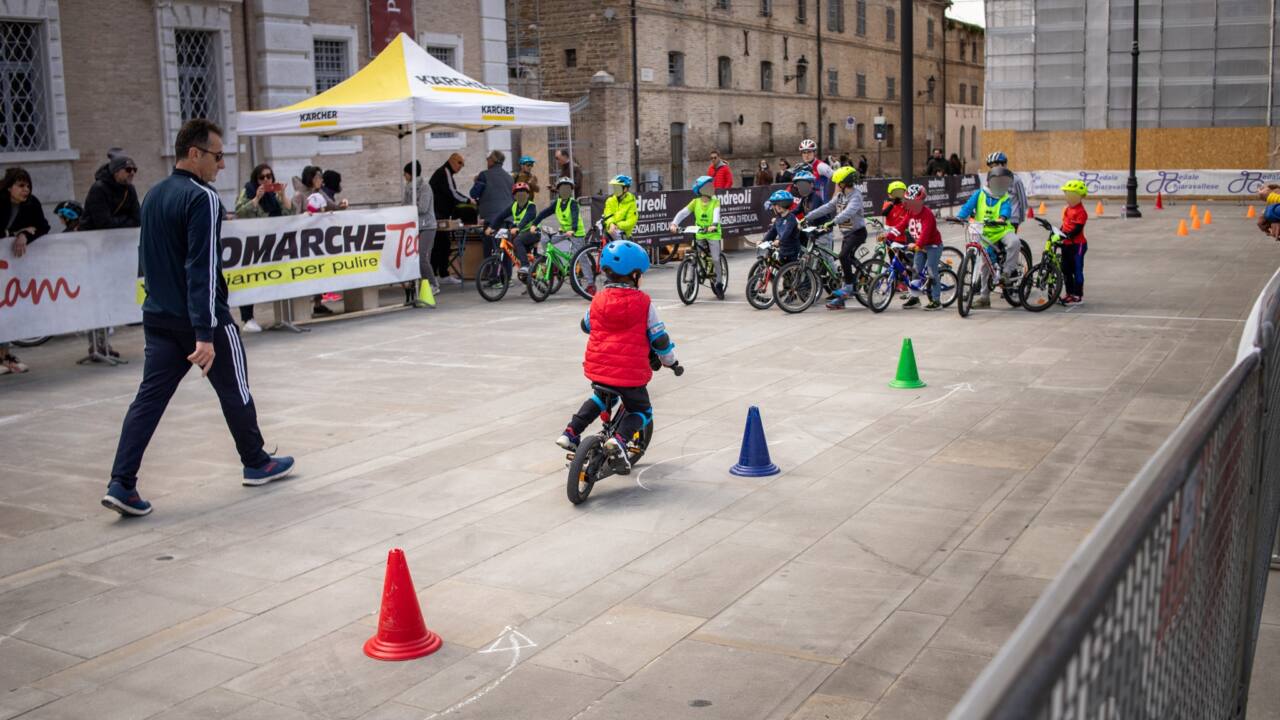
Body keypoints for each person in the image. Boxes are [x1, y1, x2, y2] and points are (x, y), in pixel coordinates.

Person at [102, 118, 293, 517]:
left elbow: (149, 262)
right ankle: (257, 461)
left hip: (159, 318)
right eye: (218, 156)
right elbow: (201, 267)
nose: (221, 165)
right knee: (235, 387)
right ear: (195, 154)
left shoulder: (153, 195)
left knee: (148, 401)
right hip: (201, 321)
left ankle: (121, 482)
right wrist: (205, 333)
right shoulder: (202, 198)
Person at [554, 240, 679, 475]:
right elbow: (659, 339)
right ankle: (619, 441)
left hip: (598, 369)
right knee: (642, 411)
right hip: (629, 374)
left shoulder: (598, 299)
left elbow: (586, 325)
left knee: (601, 399)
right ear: (634, 274)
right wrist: (671, 361)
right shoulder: (644, 303)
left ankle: (570, 432)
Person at [0, 167, 50, 375]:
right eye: (21, 185)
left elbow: (43, 226)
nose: (26, 190)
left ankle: (5, 355)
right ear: (9, 187)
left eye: (28, 186)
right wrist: (14, 231)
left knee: (8, 308)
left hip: (9, 266)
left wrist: (24, 235)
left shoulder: (32, 203)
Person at [234, 163, 296, 331]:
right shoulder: (248, 191)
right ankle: (248, 318)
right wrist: (256, 198)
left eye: (269, 176)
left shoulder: (274, 195)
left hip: (273, 243)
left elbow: (291, 213)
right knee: (250, 278)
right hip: (253, 243)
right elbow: (239, 212)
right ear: (256, 179)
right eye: (262, 177)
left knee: (273, 275)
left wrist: (283, 195)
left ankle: (282, 316)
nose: (266, 179)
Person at [957, 166, 1023, 309]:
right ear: (989, 182)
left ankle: (1007, 271)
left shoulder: (1005, 197)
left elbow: (1006, 210)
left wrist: (1002, 217)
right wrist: (959, 217)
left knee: (1014, 242)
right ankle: (984, 297)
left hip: (1002, 229)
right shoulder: (979, 194)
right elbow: (968, 207)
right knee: (985, 265)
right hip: (984, 232)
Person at [804, 167, 867, 310]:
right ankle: (841, 300)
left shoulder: (856, 196)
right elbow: (827, 207)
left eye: (838, 183)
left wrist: (833, 221)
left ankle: (849, 287)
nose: (836, 185)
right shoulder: (840, 196)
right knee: (845, 261)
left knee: (843, 255)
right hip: (847, 234)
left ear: (845, 183)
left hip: (857, 233)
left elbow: (849, 212)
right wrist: (807, 217)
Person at [883, 184, 943, 310]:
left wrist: (917, 245)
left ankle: (937, 300)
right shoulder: (910, 212)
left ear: (921, 201)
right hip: (919, 247)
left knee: (932, 271)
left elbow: (925, 233)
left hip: (932, 246)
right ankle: (915, 298)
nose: (910, 204)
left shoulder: (928, 214)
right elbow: (901, 225)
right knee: (915, 270)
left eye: (913, 202)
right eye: (908, 201)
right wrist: (889, 237)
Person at [669, 175, 725, 298]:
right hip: (700, 232)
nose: (712, 188)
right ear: (701, 189)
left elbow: (716, 214)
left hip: (713, 233)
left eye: (711, 185)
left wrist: (714, 224)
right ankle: (691, 284)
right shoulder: (695, 202)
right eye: (708, 186)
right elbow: (683, 213)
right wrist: (674, 223)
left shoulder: (715, 201)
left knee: (715, 259)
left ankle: (719, 284)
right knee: (695, 256)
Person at [532, 177, 590, 290]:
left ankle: (590, 282)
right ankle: (554, 264)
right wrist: (534, 224)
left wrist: (573, 229)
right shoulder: (557, 203)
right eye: (562, 189)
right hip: (564, 232)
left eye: (567, 189)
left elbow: (574, 216)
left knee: (580, 257)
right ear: (558, 190)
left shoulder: (573, 203)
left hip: (576, 233)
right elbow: (544, 213)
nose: (564, 191)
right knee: (545, 240)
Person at [486, 181, 538, 276]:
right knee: (506, 241)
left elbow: (527, 218)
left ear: (528, 195)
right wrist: (491, 227)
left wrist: (518, 227)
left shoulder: (531, 206)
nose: (521, 196)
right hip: (520, 232)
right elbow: (501, 216)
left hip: (532, 233)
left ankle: (525, 266)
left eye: (523, 193)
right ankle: (506, 275)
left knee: (517, 240)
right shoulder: (514, 206)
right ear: (514, 196)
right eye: (518, 193)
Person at [404, 160, 437, 306]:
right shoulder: (408, 188)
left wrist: (409, 207)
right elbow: (403, 204)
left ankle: (433, 284)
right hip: (414, 226)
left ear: (410, 174)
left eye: (405, 174)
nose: (404, 177)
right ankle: (419, 284)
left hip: (428, 226)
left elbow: (423, 208)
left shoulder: (425, 187)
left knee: (422, 256)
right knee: (413, 256)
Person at [81, 155, 141, 230]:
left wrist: (115, 220)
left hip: (122, 236)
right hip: (94, 237)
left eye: (134, 169)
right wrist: (126, 218)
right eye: (128, 169)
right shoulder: (99, 189)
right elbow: (104, 223)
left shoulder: (130, 189)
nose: (132, 173)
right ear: (116, 172)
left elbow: (138, 220)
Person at [1056, 180, 1089, 305]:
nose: (1068, 198)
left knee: (1077, 269)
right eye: (1067, 195)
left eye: (1071, 195)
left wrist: (1067, 235)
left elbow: (1077, 229)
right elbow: (1065, 225)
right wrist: (1058, 233)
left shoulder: (1081, 212)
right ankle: (1069, 293)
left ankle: (1078, 295)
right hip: (1067, 244)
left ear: (1079, 196)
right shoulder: (1067, 209)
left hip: (1078, 245)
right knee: (1066, 269)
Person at [471, 150, 514, 231]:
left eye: (488, 159)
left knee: (491, 242)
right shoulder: (510, 178)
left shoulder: (484, 175)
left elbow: (474, 194)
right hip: (508, 219)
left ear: (492, 160)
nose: (487, 161)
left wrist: (476, 182)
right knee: (503, 242)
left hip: (491, 219)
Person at [986, 151, 1028, 230]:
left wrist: (1020, 219)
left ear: (1004, 164)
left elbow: (1023, 201)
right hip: (996, 218)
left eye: (995, 166)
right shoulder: (991, 180)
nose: (993, 169)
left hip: (1012, 218)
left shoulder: (1015, 180)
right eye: (991, 167)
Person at [762, 189, 803, 263]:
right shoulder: (779, 217)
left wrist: (779, 241)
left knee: (789, 272)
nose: (776, 206)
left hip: (792, 252)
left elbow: (787, 232)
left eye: (779, 204)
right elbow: (772, 231)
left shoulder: (791, 217)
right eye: (775, 204)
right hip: (783, 250)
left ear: (785, 204)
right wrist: (763, 241)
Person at [603, 175, 638, 242]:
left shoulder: (631, 202)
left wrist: (617, 225)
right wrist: (611, 224)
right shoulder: (610, 200)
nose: (615, 190)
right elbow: (608, 214)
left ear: (625, 189)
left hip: (624, 235)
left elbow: (631, 221)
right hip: (610, 231)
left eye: (618, 188)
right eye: (614, 187)